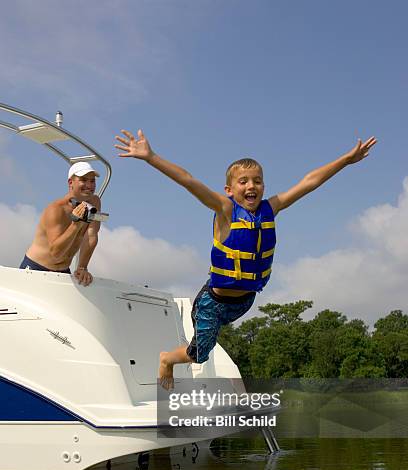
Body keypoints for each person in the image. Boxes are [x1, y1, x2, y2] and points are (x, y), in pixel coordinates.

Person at [115, 129, 376, 389]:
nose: (251, 186)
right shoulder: (225, 210)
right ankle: (167, 359)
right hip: (213, 303)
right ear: (229, 189)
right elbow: (188, 180)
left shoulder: (270, 209)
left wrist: (345, 161)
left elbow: (309, 182)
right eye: (243, 181)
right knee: (199, 354)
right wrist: (151, 157)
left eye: (257, 181)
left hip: (245, 302)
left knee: (229, 343)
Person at [19, 161, 102, 286]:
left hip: (63, 271)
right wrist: (76, 224)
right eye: (84, 180)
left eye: (92, 181)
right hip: (35, 269)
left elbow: (91, 235)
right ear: (70, 183)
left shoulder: (95, 202)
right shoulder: (56, 209)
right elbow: (56, 253)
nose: (89, 185)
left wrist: (82, 267)